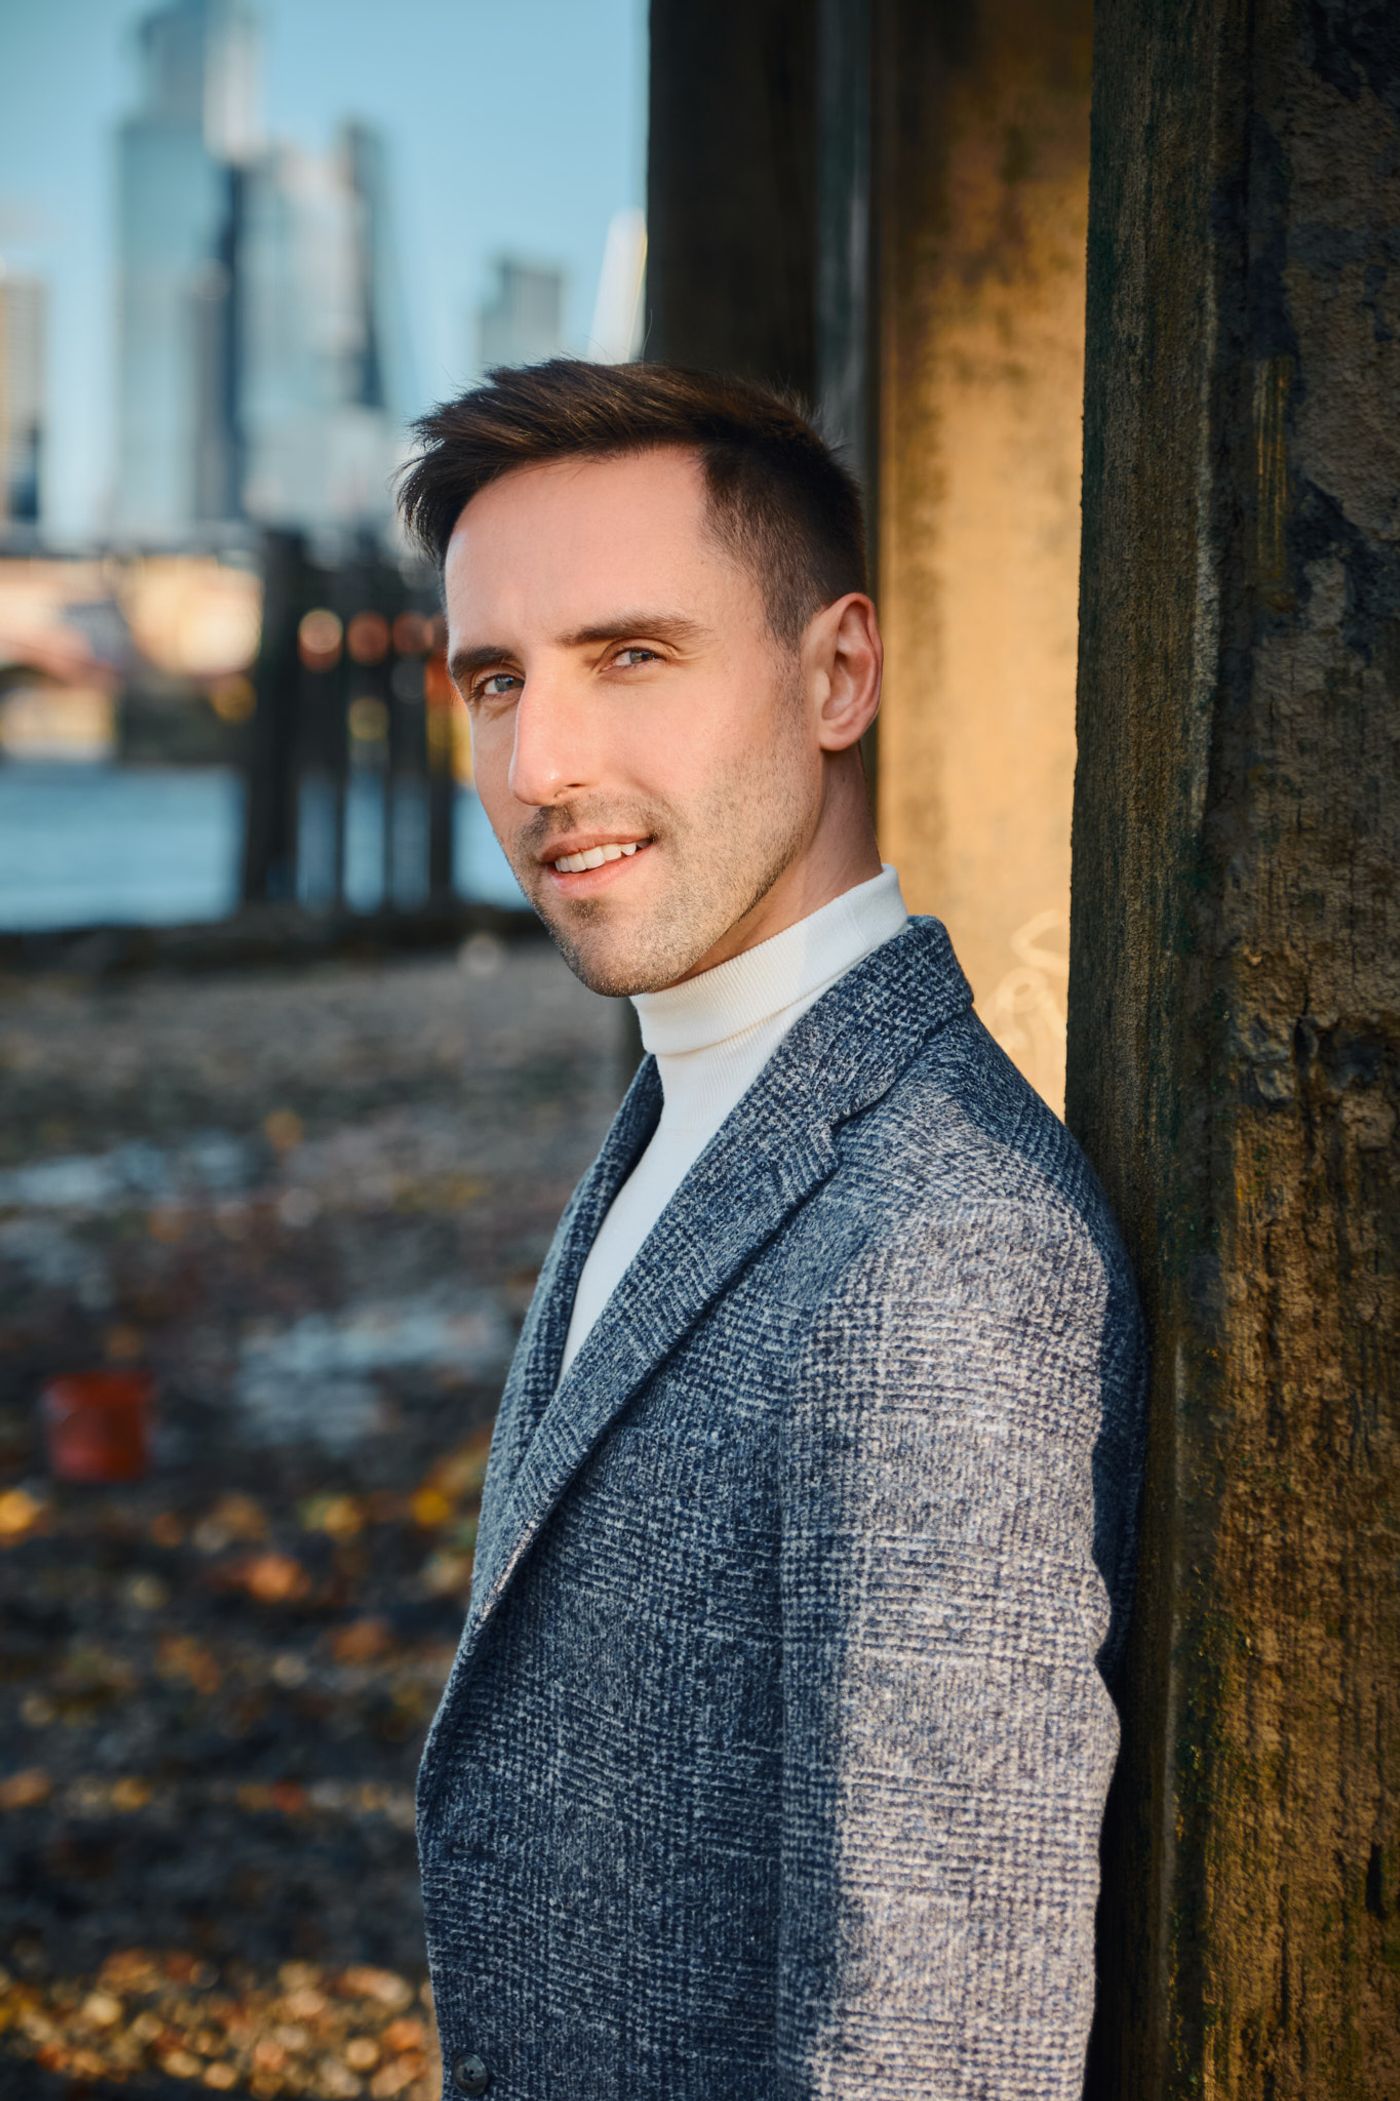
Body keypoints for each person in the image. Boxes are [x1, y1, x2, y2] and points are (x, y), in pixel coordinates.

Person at [398, 358, 1146, 2101]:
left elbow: (941, 2036)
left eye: (631, 655)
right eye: (495, 679)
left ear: (838, 671)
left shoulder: (940, 1245)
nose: (541, 759)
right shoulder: (698, 1099)